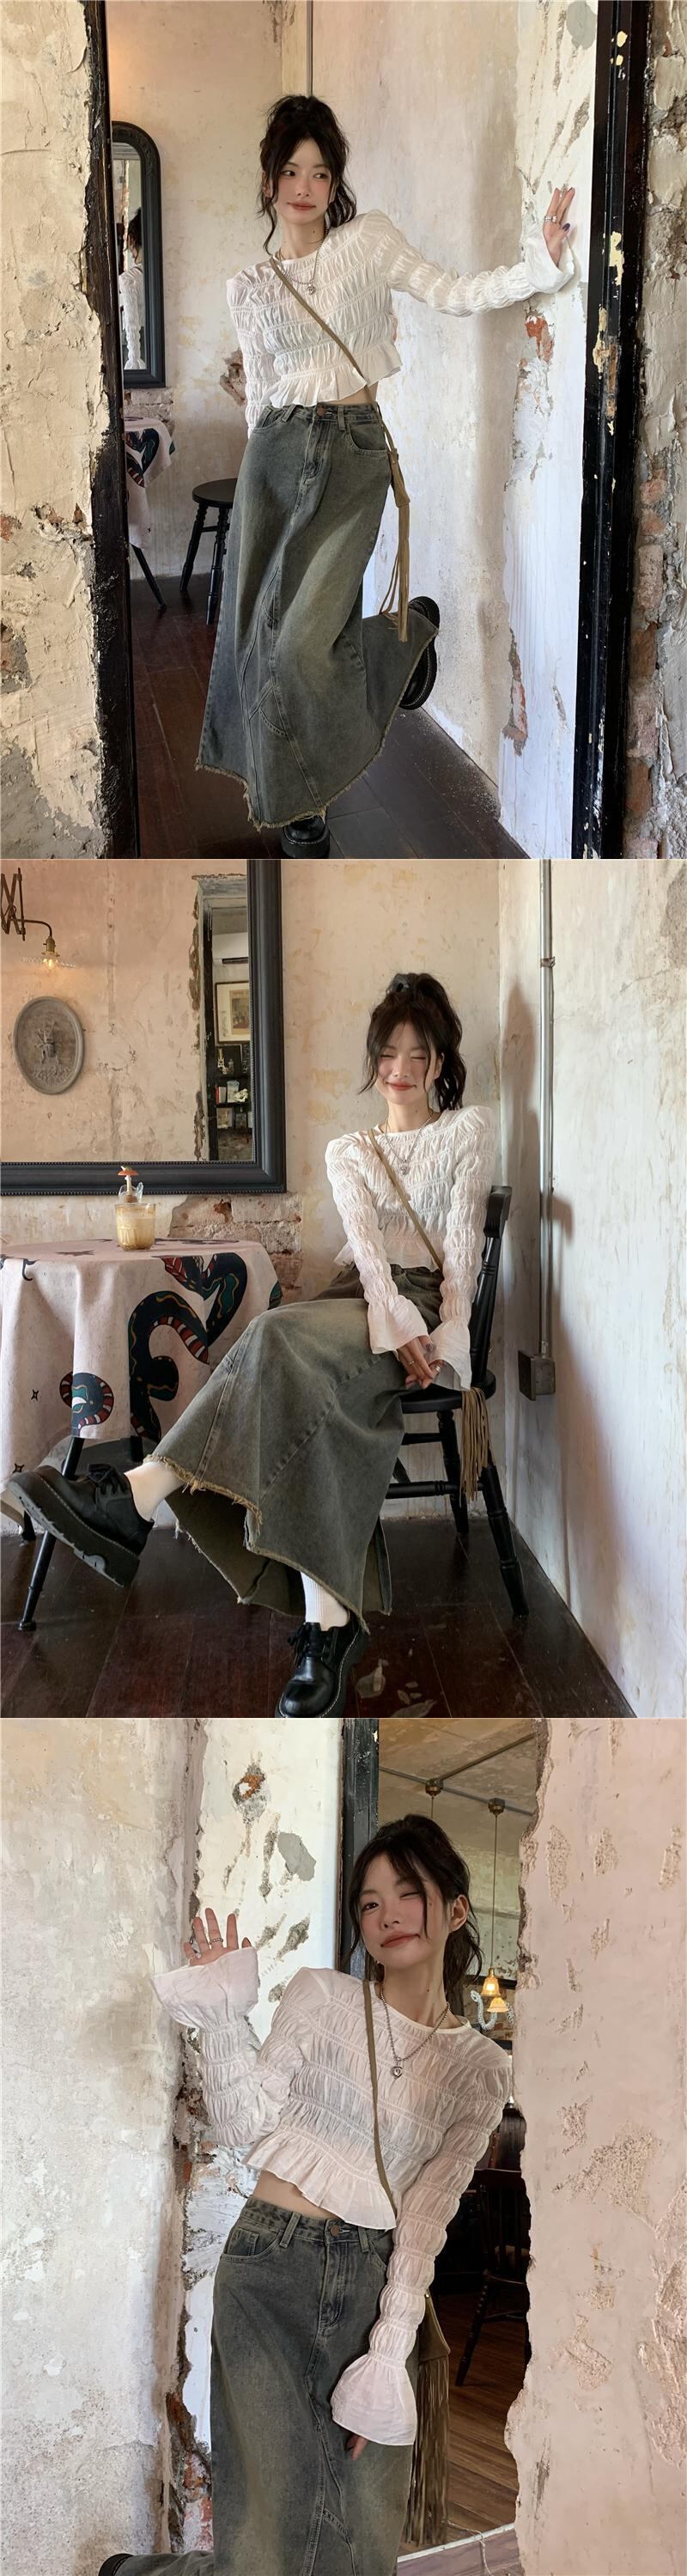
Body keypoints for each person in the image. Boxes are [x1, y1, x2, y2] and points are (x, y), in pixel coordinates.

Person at [12, 971, 495, 1720]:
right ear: (373, 1059)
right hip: (366, 1297)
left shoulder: (468, 1131)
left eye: (417, 1053)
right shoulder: (349, 1150)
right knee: (291, 1364)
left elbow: (460, 1254)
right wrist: (392, 1322)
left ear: (440, 1061)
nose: (400, 1068)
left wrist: (447, 1343)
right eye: (388, 1052)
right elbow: (369, 1263)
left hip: (425, 1300)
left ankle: (137, 1497)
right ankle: (325, 1624)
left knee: (273, 1337)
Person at [97, 1812, 512, 2576]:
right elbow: (242, 2123)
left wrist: (389, 2348)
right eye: (369, 1901)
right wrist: (224, 2013)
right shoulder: (321, 1996)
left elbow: (425, 2220)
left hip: (372, 2284)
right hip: (270, 2264)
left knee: (357, 2546)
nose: (386, 1914)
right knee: (265, 2550)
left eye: (408, 1892)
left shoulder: (481, 2069)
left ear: (456, 1908)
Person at [198, 94, 575, 856]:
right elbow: (262, 394)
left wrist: (540, 264)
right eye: (291, 171)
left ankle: (408, 642)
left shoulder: (367, 242)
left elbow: (452, 291)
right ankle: (300, 804)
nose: (304, 187)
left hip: (350, 454)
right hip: (274, 459)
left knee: (303, 645)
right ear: (269, 180)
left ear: (335, 182)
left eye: (320, 172)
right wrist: (255, 491)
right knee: (255, 640)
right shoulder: (249, 286)